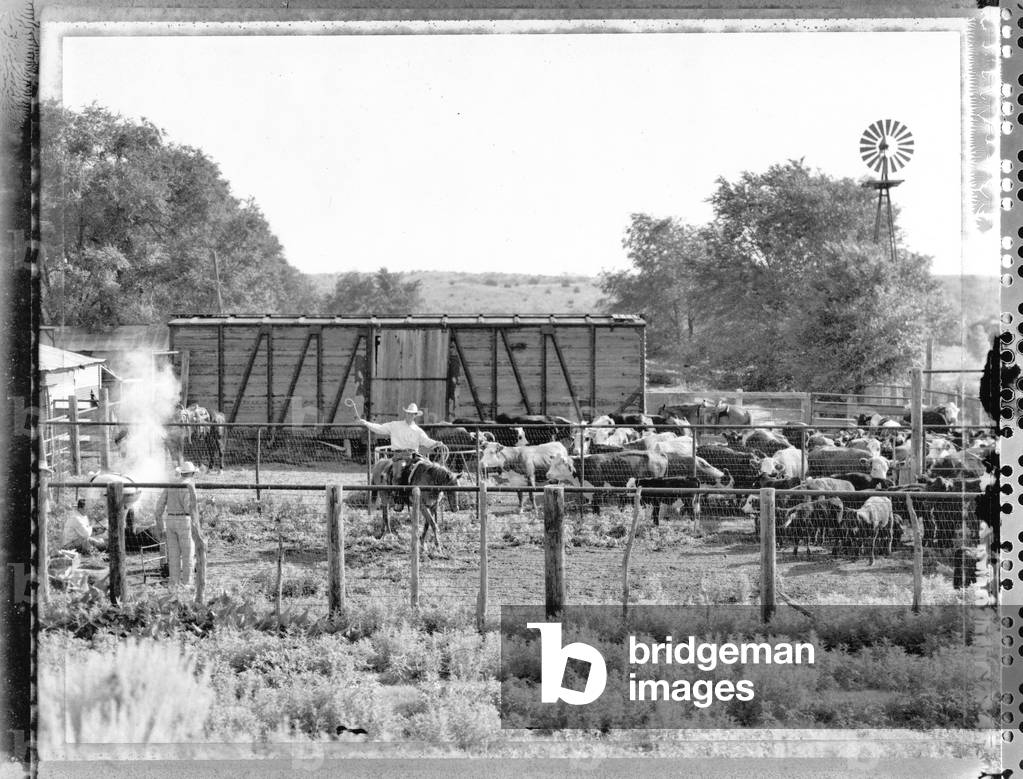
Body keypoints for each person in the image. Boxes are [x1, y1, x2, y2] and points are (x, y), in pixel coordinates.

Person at [154, 461, 200, 587]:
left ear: (181, 473)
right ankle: (187, 584)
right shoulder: (189, 486)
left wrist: (160, 526)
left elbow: (158, 508)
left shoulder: (171, 484)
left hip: (170, 520)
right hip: (184, 520)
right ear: (192, 473)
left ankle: (173, 584)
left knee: (173, 555)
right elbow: (188, 508)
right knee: (187, 554)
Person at [353, 402, 442, 458]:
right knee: (398, 474)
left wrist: (436, 443)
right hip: (399, 457)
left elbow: (427, 441)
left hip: (414, 456)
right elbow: (380, 428)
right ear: (406, 414)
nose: (410, 415)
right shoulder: (395, 425)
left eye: (412, 414)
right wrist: (366, 423)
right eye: (408, 413)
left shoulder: (418, 431)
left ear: (415, 415)